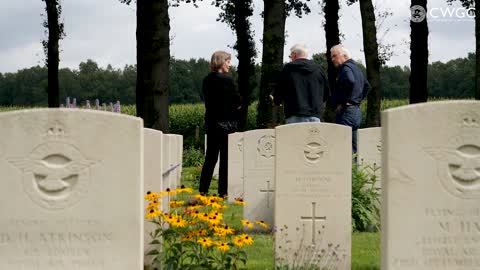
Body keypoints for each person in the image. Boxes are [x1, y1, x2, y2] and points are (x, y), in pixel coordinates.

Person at [199, 51, 241, 198]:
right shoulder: (228, 81)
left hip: (212, 123)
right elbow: (237, 102)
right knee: (225, 159)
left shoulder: (206, 80)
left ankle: (203, 190)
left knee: (210, 158)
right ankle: (223, 192)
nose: (230, 65)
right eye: (228, 62)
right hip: (227, 124)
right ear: (222, 62)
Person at [271, 44, 330, 124]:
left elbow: (279, 91)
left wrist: (276, 101)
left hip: (294, 115)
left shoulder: (288, 69)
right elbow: (326, 93)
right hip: (314, 115)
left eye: (290, 56)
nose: (290, 58)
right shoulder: (318, 70)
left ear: (294, 55)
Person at [330, 44, 370, 155]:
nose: (332, 59)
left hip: (346, 112)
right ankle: (354, 171)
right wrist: (357, 100)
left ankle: (344, 171)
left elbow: (349, 81)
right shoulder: (356, 68)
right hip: (356, 111)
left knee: (342, 145)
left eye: (334, 56)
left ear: (343, 55)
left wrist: (343, 102)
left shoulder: (346, 68)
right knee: (353, 146)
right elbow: (366, 86)